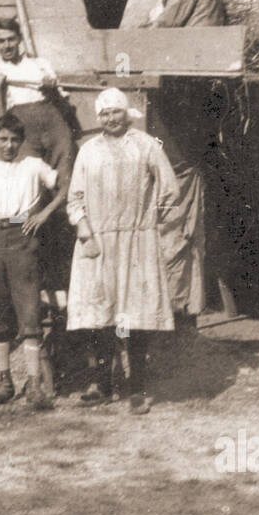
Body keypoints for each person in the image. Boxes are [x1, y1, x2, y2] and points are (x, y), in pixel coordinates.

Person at [66, 87, 179, 414]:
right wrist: (85, 230)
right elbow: (75, 197)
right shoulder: (88, 151)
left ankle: (137, 388)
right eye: (104, 113)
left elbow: (169, 189)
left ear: (126, 113)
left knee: (136, 316)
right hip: (98, 242)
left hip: (136, 242)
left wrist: (149, 221)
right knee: (102, 314)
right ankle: (102, 384)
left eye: (116, 111)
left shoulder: (146, 146)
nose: (111, 118)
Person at [142, 0, 219, 322]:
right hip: (186, 51)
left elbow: (172, 21)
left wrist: (145, 33)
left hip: (195, 53)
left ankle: (184, 300)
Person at [0, 112, 60, 411]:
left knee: (29, 307)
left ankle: (34, 384)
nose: (8, 145)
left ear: (21, 142)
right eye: (3, 139)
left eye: (14, 140)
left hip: (23, 236)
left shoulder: (32, 166)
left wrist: (44, 214)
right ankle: (4, 379)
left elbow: (67, 183)